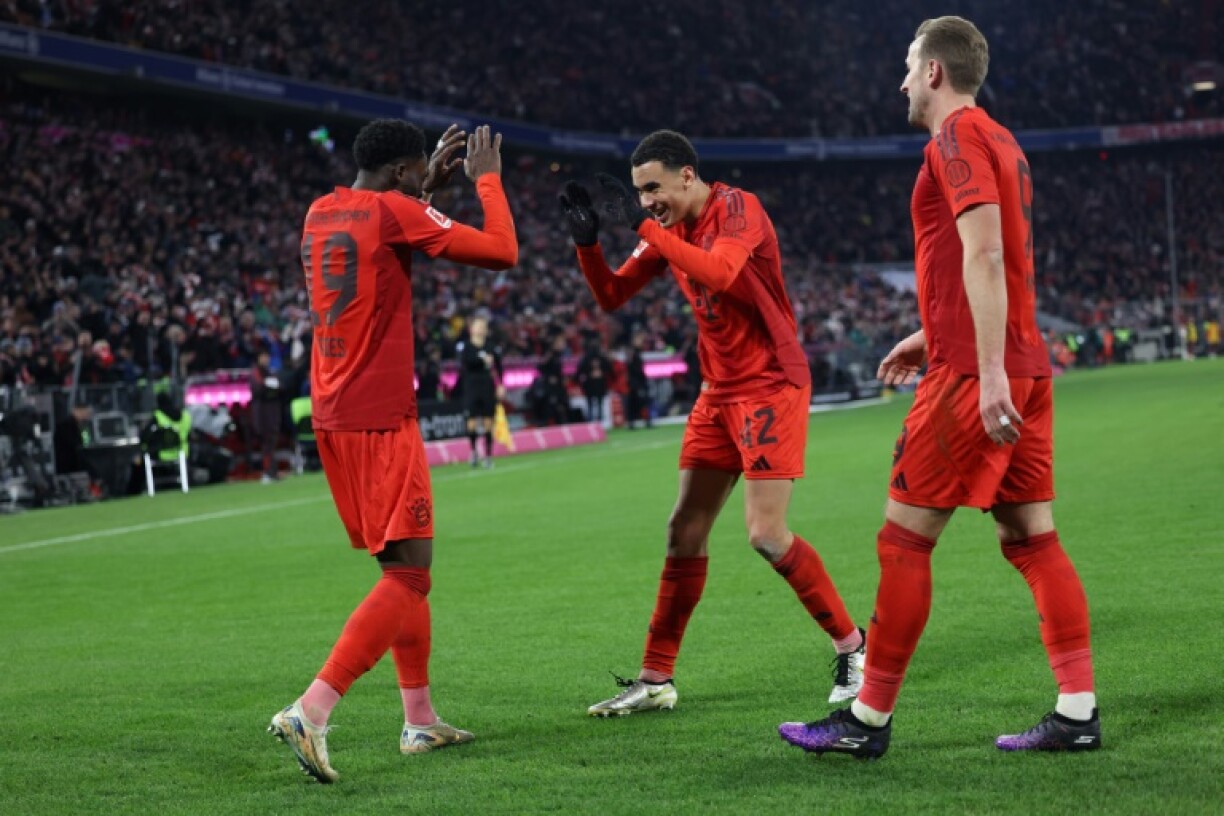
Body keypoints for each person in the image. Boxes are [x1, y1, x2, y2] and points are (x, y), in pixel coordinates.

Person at [778, 16, 1099, 759]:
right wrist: (934, 329)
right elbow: (1000, 257)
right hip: (1024, 361)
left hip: (974, 374)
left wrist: (978, 369)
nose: (899, 82)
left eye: (906, 66)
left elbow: (985, 254)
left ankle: (865, 722)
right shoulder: (1001, 139)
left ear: (932, 73)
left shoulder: (951, 139)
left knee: (902, 542)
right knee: (1031, 539)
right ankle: (1077, 711)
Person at [559, 130, 865, 717]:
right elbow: (612, 296)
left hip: (771, 384)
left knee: (765, 535)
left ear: (687, 177)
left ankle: (854, 648)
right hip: (717, 392)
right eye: (638, 191)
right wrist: (588, 246)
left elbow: (723, 272)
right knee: (684, 530)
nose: (646, 200)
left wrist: (646, 228)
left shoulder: (737, 208)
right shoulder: (667, 230)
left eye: (653, 187)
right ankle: (655, 679)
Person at [268, 120, 517, 783]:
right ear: (407, 170)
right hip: (380, 415)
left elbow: (386, 217)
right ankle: (313, 711)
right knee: (411, 576)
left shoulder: (321, 210)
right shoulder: (398, 210)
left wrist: (419, 191)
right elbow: (501, 250)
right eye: (418, 170)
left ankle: (419, 718)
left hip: (333, 411)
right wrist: (484, 179)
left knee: (399, 570)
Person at [456, 315, 503, 467]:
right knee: (471, 422)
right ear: (472, 329)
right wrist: (481, 359)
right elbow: (465, 363)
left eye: (483, 327)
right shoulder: (466, 347)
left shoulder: (490, 346)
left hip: (487, 387)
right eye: (478, 326)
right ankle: (474, 451)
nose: (481, 329)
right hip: (471, 387)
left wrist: (500, 385)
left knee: (489, 421)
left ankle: (488, 455)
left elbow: (499, 367)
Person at [249, 348, 283, 483]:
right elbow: (259, 389)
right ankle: (268, 472)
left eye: (267, 356)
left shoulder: (270, 372)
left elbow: (280, 388)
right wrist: (270, 388)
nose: (266, 359)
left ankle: (272, 472)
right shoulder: (256, 373)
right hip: (262, 415)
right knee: (266, 444)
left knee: (272, 444)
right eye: (263, 356)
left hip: (272, 414)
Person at [576, 338, 611, 423]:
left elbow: (609, 368)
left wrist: (601, 372)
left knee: (597, 403)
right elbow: (580, 371)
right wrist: (590, 374)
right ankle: (594, 421)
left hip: (598, 383)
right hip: (591, 384)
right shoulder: (587, 358)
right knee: (592, 404)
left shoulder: (598, 357)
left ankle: (598, 421)